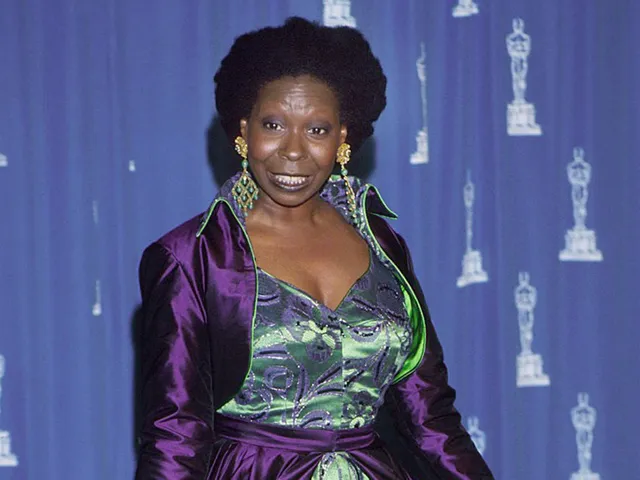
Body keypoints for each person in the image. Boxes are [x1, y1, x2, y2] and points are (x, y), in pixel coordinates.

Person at [135, 17, 494, 480]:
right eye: (273, 124)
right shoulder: (192, 257)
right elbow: (174, 436)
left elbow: (431, 417)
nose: (293, 150)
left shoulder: (382, 244)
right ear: (244, 129)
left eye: (317, 130)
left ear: (343, 137)